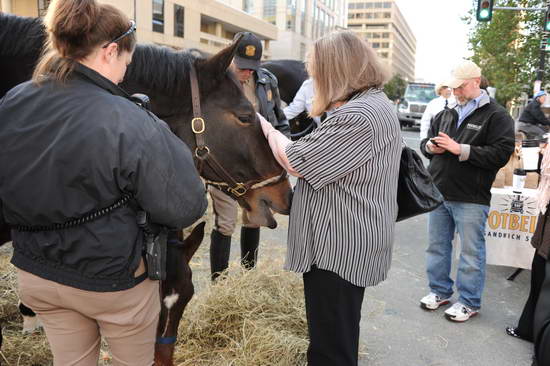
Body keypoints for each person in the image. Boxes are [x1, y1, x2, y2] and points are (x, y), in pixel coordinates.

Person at [0, 0, 207, 365]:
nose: (126, 71)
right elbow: (185, 206)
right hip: (111, 280)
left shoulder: (13, 101)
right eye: (127, 61)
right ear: (110, 51)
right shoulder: (129, 118)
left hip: (38, 274)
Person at [260, 31, 401, 365]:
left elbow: (298, 160)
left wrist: (264, 127)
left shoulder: (359, 116)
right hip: (348, 238)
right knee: (337, 333)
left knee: (330, 346)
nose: (313, 77)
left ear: (336, 70)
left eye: (316, 70)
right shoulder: (369, 104)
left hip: (340, 246)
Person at [419, 60, 515, 322]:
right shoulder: (445, 111)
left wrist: (459, 149)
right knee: (437, 247)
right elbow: (425, 142)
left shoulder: (497, 115)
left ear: (476, 82)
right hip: (440, 192)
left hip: (471, 197)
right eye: (453, 88)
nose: (456, 92)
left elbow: (501, 153)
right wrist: (430, 147)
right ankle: (439, 291)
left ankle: (469, 301)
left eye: (460, 87)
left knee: (471, 252)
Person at [209, 32, 289, 280]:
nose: (247, 73)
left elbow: (279, 119)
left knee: (255, 218)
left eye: (252, 68)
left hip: (257, 167)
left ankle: (247, 278)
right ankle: (219, 283)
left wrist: (284, 151)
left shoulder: (266, 81)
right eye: (242, 67)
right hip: (225, 165)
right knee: (226, 221)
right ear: (230, 58)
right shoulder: (215, 81)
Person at [506, 145, 550, 366]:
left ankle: (543, 348)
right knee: (539, 275)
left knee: (547, 287)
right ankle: (528, 330)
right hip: (546, 213)